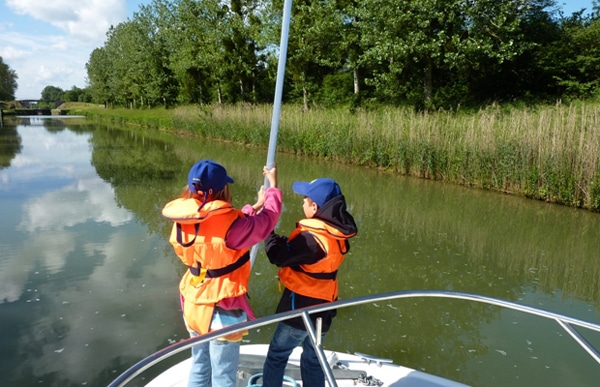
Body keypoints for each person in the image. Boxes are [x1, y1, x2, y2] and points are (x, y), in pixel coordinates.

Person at [161, 159, 281, 387]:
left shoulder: (183, 220)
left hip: (193, 304)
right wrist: (273, 188)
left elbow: (218, 226)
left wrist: (254, 206)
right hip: (221, 309)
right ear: (221, 189)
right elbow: (267, 222)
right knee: (223, 376)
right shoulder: (233, 228)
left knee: (199, 364)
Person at [261, 178, 358, 387]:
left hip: (299, 312)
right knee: (313, 360)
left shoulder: (310, 239)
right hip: (324, 312)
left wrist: (267, 231)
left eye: (305, 199)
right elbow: (299, 254)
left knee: (277, 356)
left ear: (314, 207)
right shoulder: (335, 235)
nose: (302, 202)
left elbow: (277, 255)